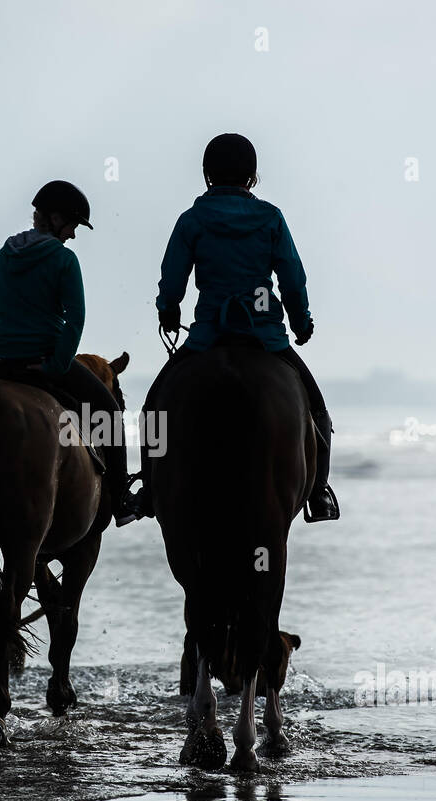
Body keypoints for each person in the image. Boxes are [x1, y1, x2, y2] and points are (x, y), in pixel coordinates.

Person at [135, 133, 340, 522]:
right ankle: (318, 493)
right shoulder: (271, 218)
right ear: (252, 177)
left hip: (209, 335)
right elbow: (293, 280)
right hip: (264, 336)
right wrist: (301, 323)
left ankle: (147, 490)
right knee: (317, 411)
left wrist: (168, 311)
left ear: (208, 175)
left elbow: (172, 277)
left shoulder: (192, 220)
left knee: (153, 411)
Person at [0, 180, 137, 526]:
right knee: (108, 412)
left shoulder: (2, 256)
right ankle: (121, 501)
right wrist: (56, 365)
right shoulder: (64, 259)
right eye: (73, 225)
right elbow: (75, 319)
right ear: (57, 218)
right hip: (44, 363)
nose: (74, 235)